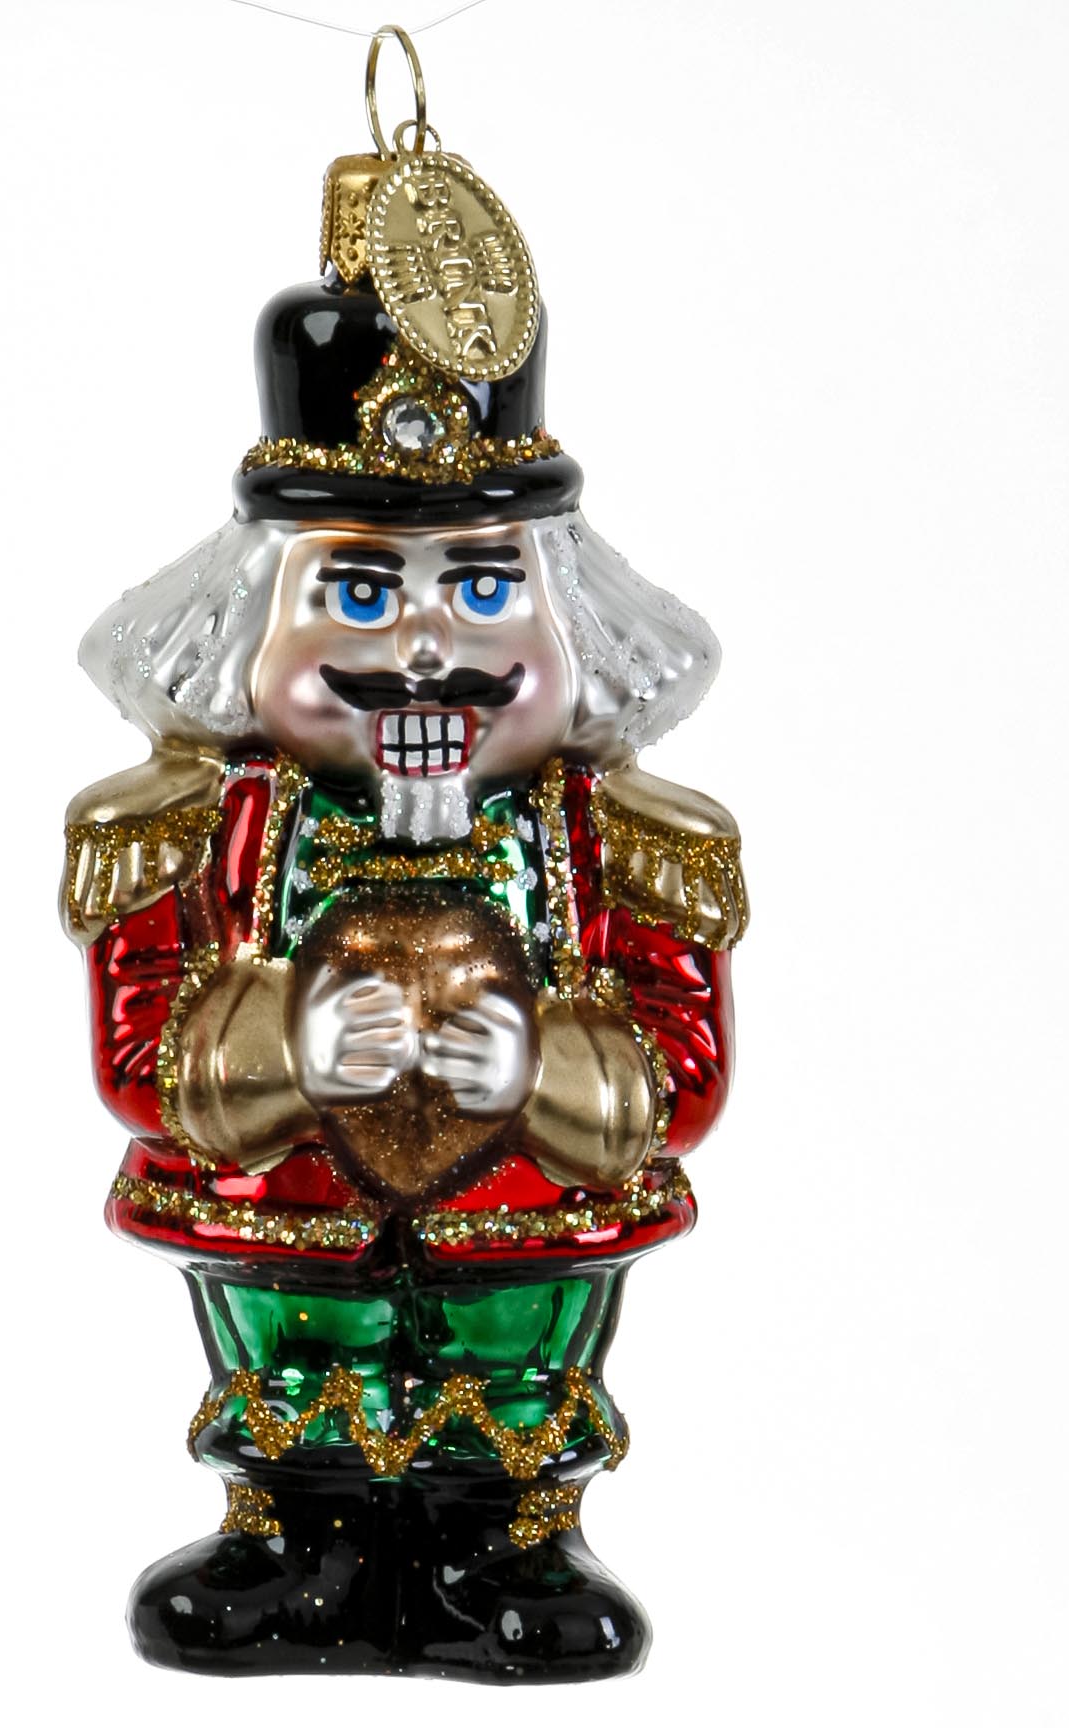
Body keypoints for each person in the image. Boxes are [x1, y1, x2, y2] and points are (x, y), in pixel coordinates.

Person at [60, 274, 747, 1681]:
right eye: (361, 596)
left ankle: (503, 1547)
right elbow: (137, 1059)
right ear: (250, 627)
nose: (426, 653)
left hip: (523, 1217)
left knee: (513, 1367)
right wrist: (286, 1054)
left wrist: (547, 1072)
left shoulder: (629, 842)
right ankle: (294, 1544)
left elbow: (685, 1072)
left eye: (486, 590)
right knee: (298, 1361)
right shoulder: (182, 833)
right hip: (289, 1216)